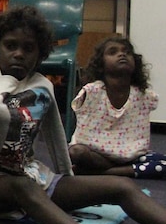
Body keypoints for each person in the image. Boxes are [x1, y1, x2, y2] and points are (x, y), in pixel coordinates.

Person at [0, 6, 166, 224]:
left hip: (31, 174)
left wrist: (67, 180)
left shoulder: (42, 86)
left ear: (40, 53)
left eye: (28, 48)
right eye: (10, 46)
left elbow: (55, 136)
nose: (19, 53)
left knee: (122, 186)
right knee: (25, 188)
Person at [69, 36, 165, 178]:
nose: (122, 54)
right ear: (100, 63)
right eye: (113, 52)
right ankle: (125, 171)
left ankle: (103, 172)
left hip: (132, 156)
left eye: (127, 52)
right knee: (76, 153)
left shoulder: (144, 96)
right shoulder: (91, 92)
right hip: (96, 154)